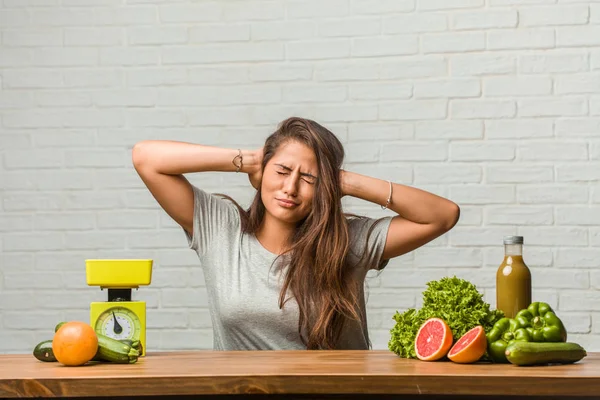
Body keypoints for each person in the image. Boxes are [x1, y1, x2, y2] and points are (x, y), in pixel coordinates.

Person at [132, 117, 460, 351]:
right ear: (262, 172)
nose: (290, 187)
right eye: (282, 170)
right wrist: (249, 159)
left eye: (309, 179)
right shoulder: (221, 228)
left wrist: (343, 182)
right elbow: (147, 158)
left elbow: (442, 216)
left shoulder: (348, 240)